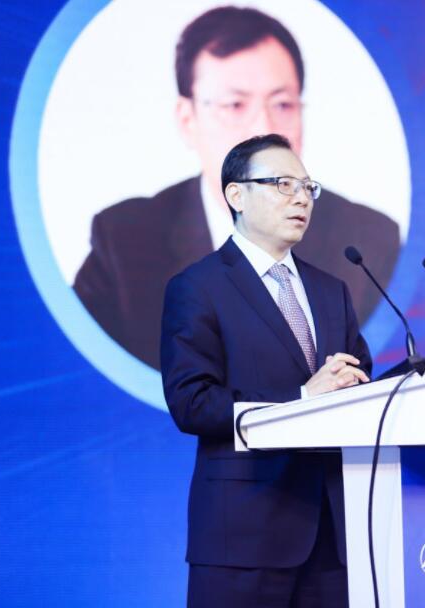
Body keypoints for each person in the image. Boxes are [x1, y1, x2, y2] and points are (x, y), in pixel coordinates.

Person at [75, 5, 400, 369]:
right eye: (235, 105)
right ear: (187, 119)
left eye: (282, 104)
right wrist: (302, 395)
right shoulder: (124, 241)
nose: (263, 127)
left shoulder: (367, 241)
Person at [161, 133, 370, 607]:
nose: (301, 198)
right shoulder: (198, 287)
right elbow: (192, 403)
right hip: (242, 538)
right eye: (282, 184)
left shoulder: (332, 290)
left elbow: (359, 384)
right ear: (236, 195)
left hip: (332, 539)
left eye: (308, 187)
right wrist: (301, 401)